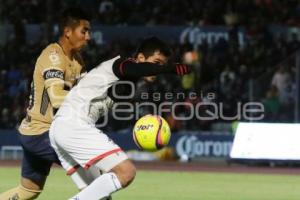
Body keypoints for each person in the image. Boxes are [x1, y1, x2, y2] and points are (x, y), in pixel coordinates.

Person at [49, 36, 191, 200]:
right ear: (141, 58)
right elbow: (135, 69)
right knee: (126, 172)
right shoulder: (122, 65)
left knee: (102, 197)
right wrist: (170, 69)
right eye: (157, 62)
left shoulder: (128, 83)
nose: (158, 68)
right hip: (73, 124)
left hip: (61, 128)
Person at [0, 7, 91, 200]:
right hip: (42, 132)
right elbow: (57, 97)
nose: (88, 37)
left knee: (27, 192)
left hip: (41, 132)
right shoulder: (53, 57)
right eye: (84, 31)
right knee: (95, 179)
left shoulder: (77, 61)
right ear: (68, 31)